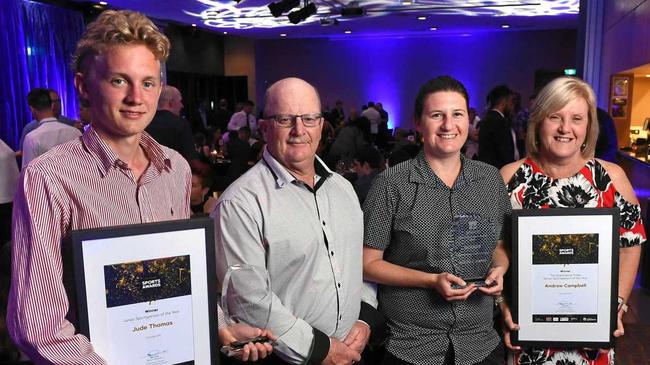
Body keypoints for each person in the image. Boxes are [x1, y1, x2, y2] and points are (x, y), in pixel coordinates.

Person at [8, 10, 272, 364]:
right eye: (119, 81)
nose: (136, 97)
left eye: (147, 83)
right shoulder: (49, 178)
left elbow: (179, 276)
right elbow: (38, 328)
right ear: (84, 86)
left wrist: (217, 325)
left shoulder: (175, 168)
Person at [214, 77, 382, 364]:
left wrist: (364, 317)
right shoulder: (239, 202)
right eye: (285, 119)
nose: (299, 130)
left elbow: (359, 265)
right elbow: (250, 302)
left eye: (309, 118)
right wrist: (320, 350)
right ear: (264, 128)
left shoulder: (343, 189)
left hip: (352, 352)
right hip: (290, 359)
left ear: (321, 126)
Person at [363, 76, 511, 365]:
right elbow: (367, 263)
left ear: (469, 120)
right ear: (418, 123)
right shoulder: (391, 184)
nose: (448, 125)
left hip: (479, 342)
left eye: (457, 114)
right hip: (410, 344)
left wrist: (501, 269)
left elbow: (500, 245)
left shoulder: (490, 180)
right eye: (436, 115)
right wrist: (430, 281)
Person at [499, 77, 646, 365]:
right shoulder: (509, 177)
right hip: (527, 330)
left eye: (577, 118)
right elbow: (496, 246)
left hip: (590, 337)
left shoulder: (613, 178)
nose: (566, 128)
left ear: (589, 126)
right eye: (555, 117)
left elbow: (630, 246)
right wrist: (504, 304)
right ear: (539, 121)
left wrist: (615, 307)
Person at [21, 88, 82, 168]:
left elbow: (28, 173)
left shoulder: (31, 138)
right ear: (51, 105)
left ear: (32, 109)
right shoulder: (75, 132)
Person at [145, 85, 199, 162]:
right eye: (180, 101)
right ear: (171, 103)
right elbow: (191, 159)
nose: (182, 106)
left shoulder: (145, 123)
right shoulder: (181, 124)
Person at [478, 85, 518, 168]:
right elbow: (505, 152)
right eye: (511, 101)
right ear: (503, 101)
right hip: (499, 171)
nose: (512, 106)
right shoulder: (499, 121)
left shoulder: (488, 118)